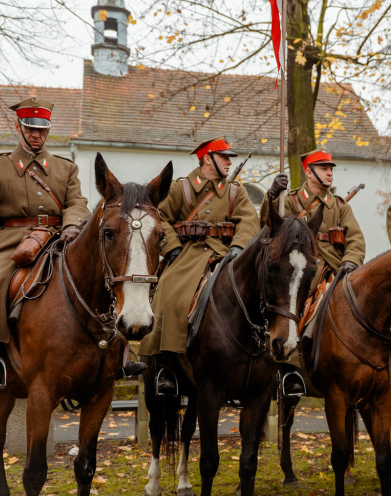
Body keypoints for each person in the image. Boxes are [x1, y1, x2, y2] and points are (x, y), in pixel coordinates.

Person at [0, 97, 91, 389]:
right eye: (30, 128)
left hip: (57, 238)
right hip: (11, 241)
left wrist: (72, 226)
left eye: (42, 130)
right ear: (18, 126)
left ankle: (108, 354)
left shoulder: (66, 169)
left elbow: (77, 203)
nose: (36, 135)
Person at [139, 137, 262, 396]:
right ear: (208, 159)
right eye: (224, 157)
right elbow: (158, 216)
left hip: (227, 255)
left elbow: (249, 220)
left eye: (230, 158)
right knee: (170, 294)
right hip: (187, 255)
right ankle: (166, 365)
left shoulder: (234, 191)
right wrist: (170, 247)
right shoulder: (180, 189)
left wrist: (239, 246)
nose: (229, 162)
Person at [261, 149, 366, 395]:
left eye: (331, 169)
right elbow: (267, 226)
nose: (330, 172)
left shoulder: (339, 206)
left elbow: (356, 241)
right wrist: (272, 195)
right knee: (292, 304)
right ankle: (290, 370)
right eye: (323, 168)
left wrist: (350, 261)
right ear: (309, 172)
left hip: (338, 268)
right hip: (302, 267)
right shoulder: (290, 200)